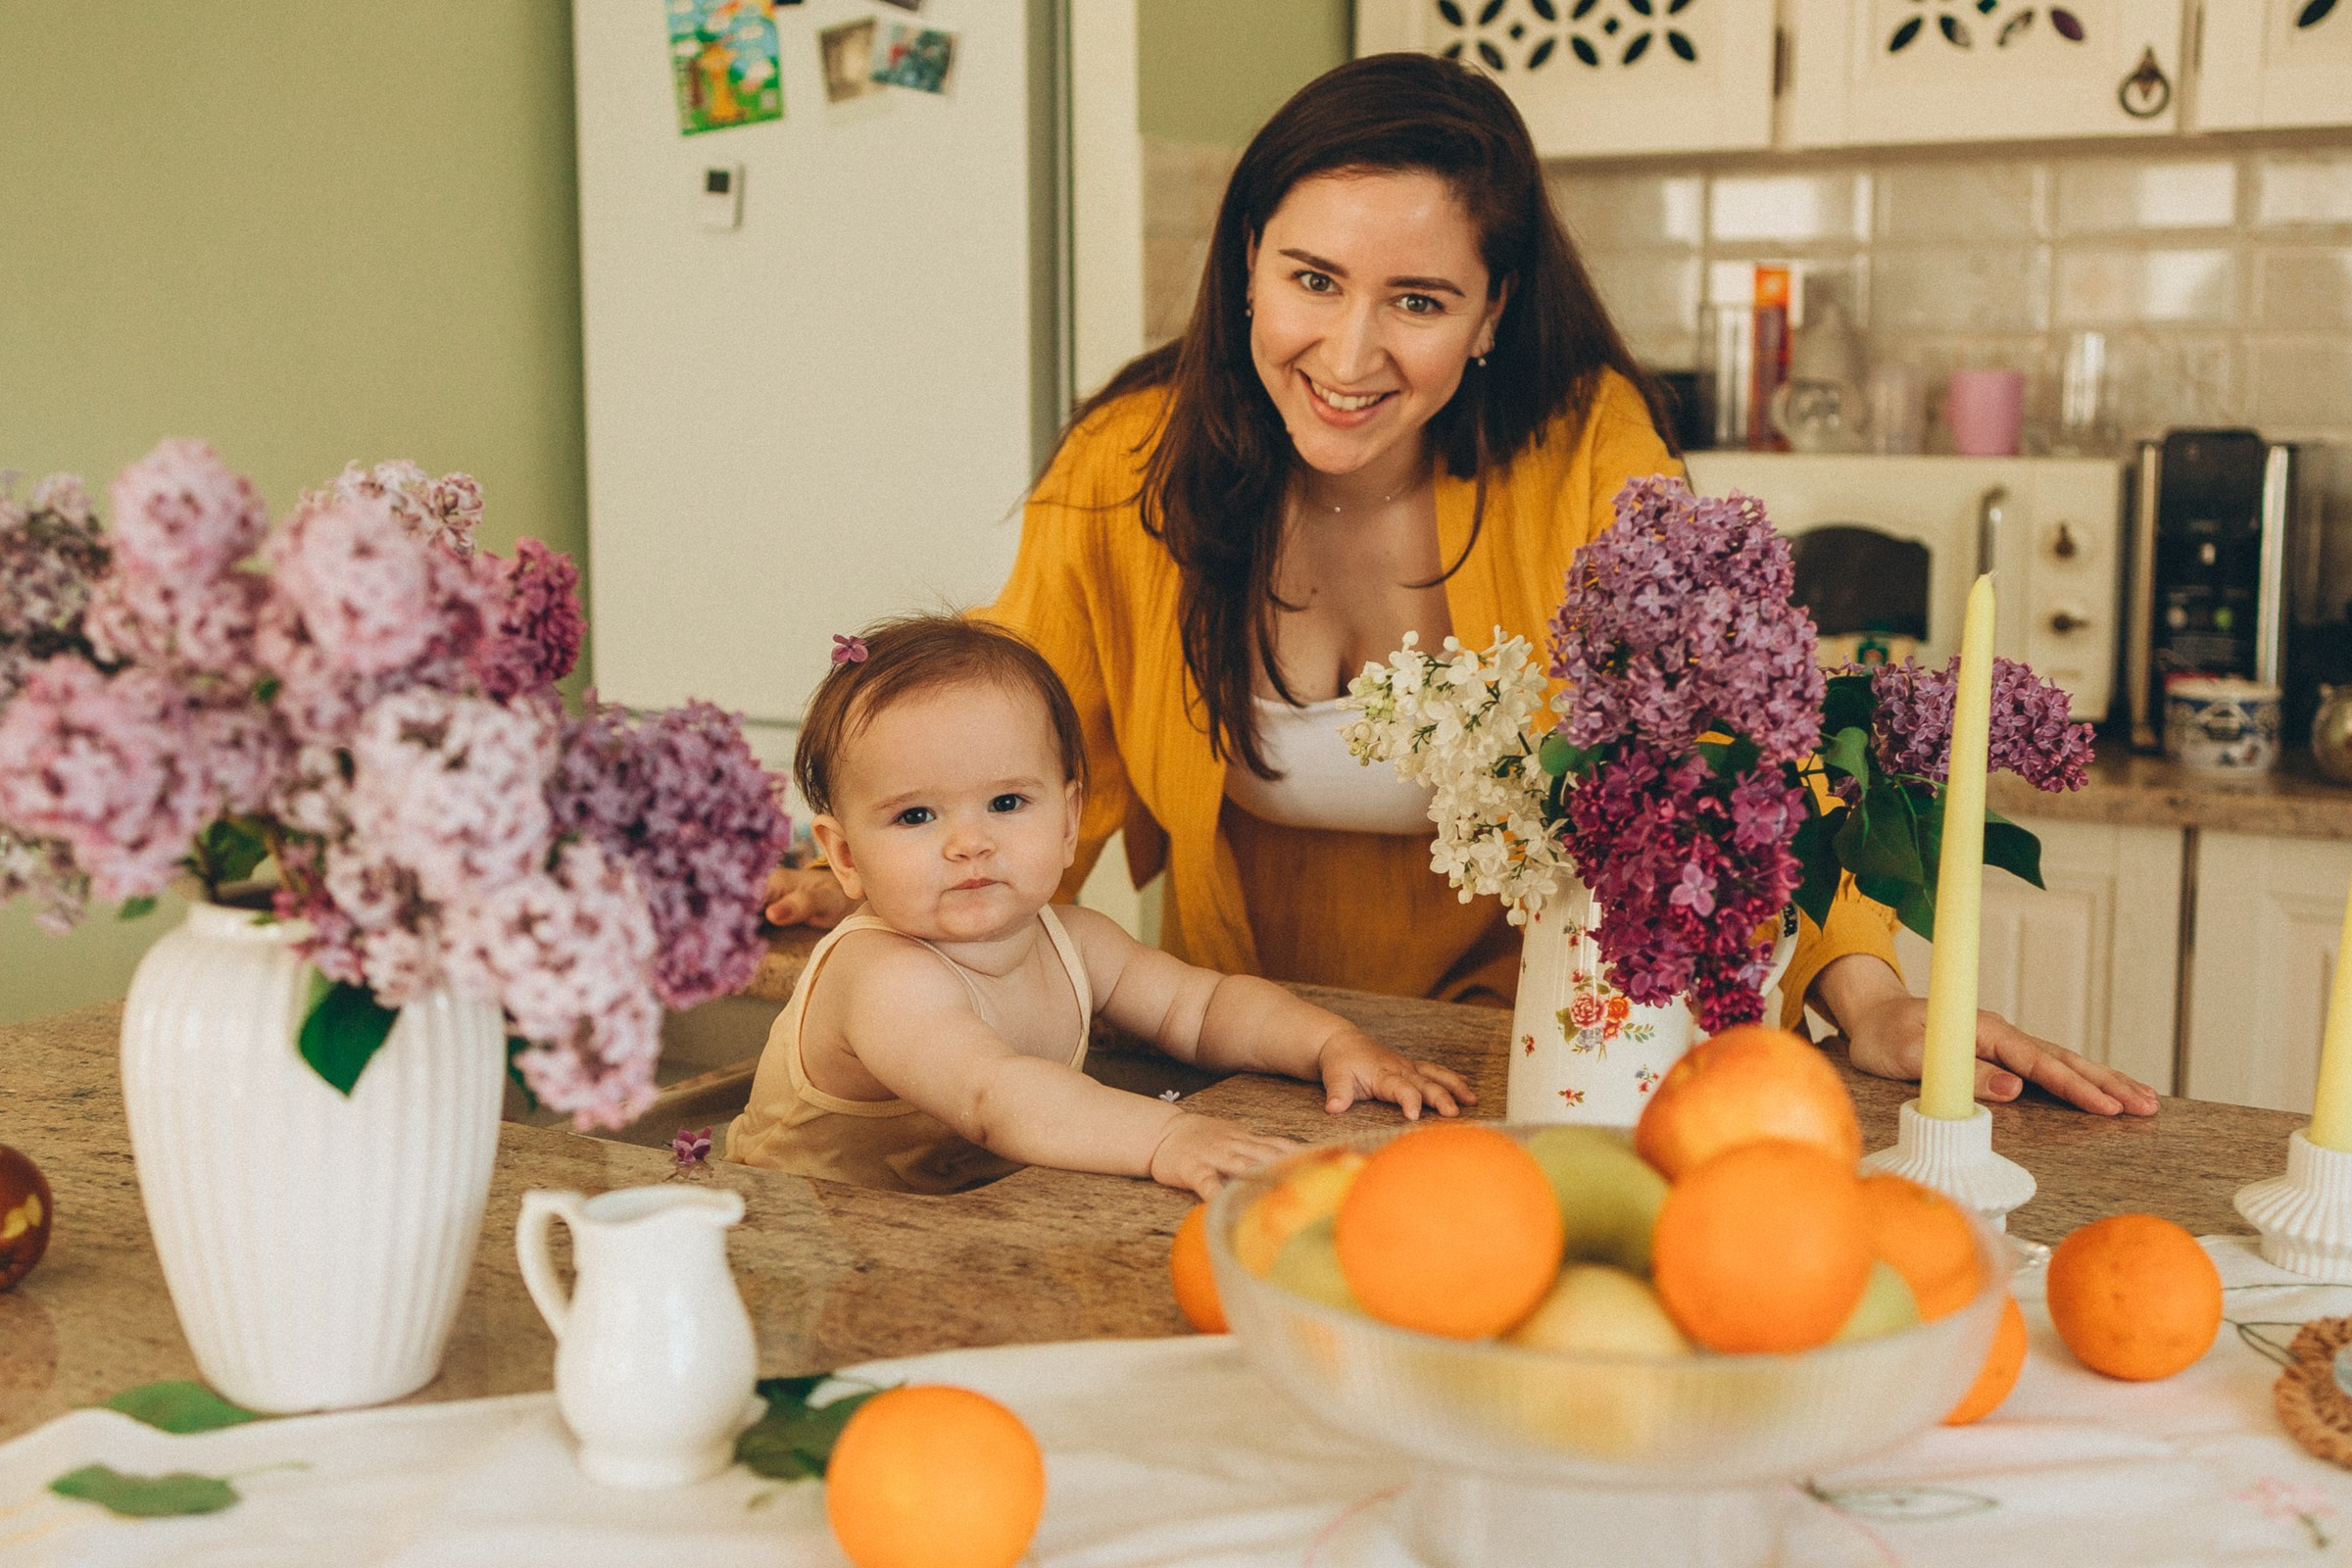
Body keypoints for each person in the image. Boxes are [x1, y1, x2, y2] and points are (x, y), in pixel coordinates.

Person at [766, 54, 2156, 1119]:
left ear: (1493, 313)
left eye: (1418, 302)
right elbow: (1012, 748)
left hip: (1562, 1065)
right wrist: (882, 878)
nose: (1349, 351)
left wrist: (1870, 995)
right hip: (1265, 1067)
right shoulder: (1128, 465)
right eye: (1312, 278)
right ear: (1247, 260)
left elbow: (1738, 755)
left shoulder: (1585, 460)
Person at [725, 615, 1476, 1197]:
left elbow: (1203, 1007)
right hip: (791, 1234)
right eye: (916, 816)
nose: (969, 843)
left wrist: (1330, 1045)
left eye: (1007, 802)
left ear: (1068, 819)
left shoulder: (1072, 939)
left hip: (944, 1226)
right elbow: (994, 1095)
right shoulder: (882, 976)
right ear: (845, 856)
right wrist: (1167, 1138)